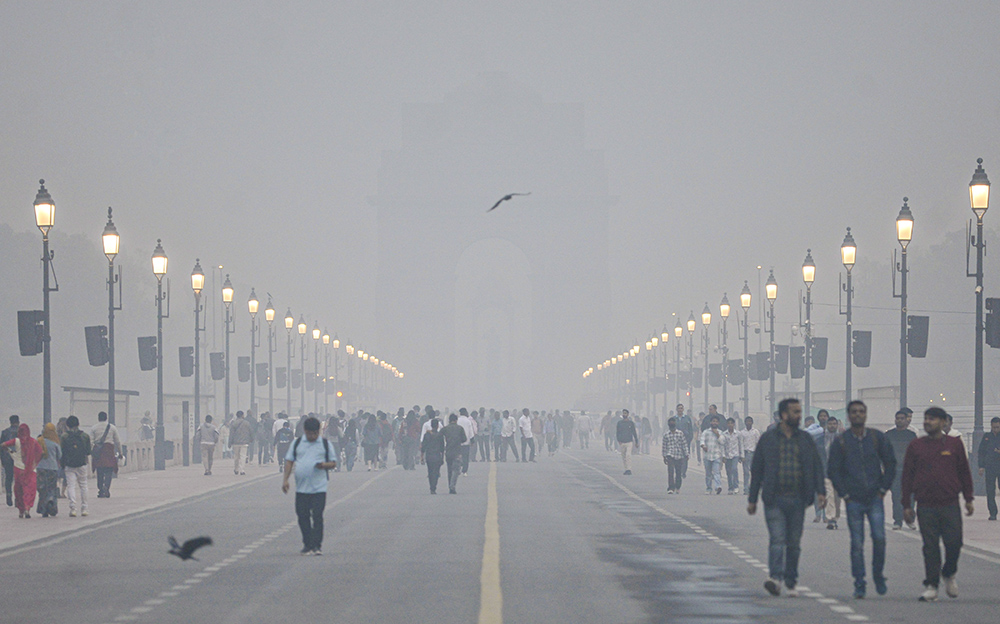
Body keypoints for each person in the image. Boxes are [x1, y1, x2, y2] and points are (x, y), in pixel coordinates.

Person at [747, 398, 826, 598]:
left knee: (793, 542)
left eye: (799, 412)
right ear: (783, 415)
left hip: (799, 499)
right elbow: (757, 468)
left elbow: (816, 466)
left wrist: (821, 492)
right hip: (774, 498)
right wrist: (753, 498)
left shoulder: (805, 439)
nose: (799, 416)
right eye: (795, 412)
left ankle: (791, 581)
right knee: (777, 538)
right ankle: (775, 578)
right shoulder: (769, 438)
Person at [901, 407, 975, 602]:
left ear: (943, 423)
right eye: (926, 419)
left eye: (932, 419)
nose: (927, 422)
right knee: (930, 546)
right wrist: (906, 505)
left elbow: (964, 472)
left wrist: (969, 498)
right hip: (925, 505)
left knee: (954, 542)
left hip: (950, 503)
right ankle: (932, 585)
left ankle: (948, 572)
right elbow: (907, 476)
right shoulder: (916, 446)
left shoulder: (955, 444)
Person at [827, 400, 896, 599]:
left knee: (879, 538)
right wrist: (844, 493)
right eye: (854, 412)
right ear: (849, 417)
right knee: (857, 543)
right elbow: (833, 470)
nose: (858, 415)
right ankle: (859, 582)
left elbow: (890, 463)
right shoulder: (842, 441)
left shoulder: (876, 438)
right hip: (853, 499)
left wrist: (883, 488)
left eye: (861, 412)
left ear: (865, 415)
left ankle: (878, 574)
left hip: (875, 496)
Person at [282, 416, 336, 555]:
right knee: (302, 516)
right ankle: (307, 543)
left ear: (318, 431)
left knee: (317, 516)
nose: (312, 436)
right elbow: (289, 461)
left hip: (319, 487)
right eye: (309, 433)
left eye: (314, 433)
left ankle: (317, 545)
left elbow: (333, 463)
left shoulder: (324, 444)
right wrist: (285, 480)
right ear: (305, 431)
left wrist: (324, 465)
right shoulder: (297, 443)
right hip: (302, 488)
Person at [885, 410, 918, 529]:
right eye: (897, 418)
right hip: (894, 471)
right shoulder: (889, 435)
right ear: (895, 420)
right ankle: (897, 521)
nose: (899, 420)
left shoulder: (911, 436)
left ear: (906, 420)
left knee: (911, 497)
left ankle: (910, 520)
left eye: (901, 418)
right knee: (896, 496)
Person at [2, 423, 42, 518]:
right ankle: (27, 508)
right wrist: (34, 462)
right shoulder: (33, 442)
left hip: (18, 469)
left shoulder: (16, 441)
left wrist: (11, 452)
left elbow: (3, 445)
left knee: (19, 490)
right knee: (29, 490)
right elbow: (40, 452)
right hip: (30, 470)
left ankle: (21, 511)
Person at [60, 416, 91, 517]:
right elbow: (88, 451)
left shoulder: (64, 436)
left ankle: (73, 508)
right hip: (82, 464)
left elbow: (62, 451)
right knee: (83, 486)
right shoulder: (85, 436)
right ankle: (84, 508)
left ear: (67, 425)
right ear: (78, 424)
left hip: (69, 465)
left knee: (71, 486)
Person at [817, 416, 842, 529]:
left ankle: (835, 517)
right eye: (830, 424)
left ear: (837, 425)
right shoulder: (819, 440)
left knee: (837, 496)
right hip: (825, 471)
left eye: (834, 424)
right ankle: (830, 518)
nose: (832, 426)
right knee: (829, 494)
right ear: (827, 425)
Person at [90, 411, 121, 498]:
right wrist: (120, 453)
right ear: (106, 418)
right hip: (109, 451)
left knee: (99, 471)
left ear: (98, 418)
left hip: (98, 452)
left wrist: (92, 452)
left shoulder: (94, 428)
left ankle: (100, 489)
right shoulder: (112, 428)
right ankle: (106, 487)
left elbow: (91, 442)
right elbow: (117, 441)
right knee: (108, 471)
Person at [977, 416, 1000, 521]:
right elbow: (981, 452)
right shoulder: (987, 437)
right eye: (994, 427)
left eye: (998, 427)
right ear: (991, 426)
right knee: (990, 491)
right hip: (990, 467)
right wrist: (981, 466)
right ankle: (993, 513)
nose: (996, 429)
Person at [35, 423, 61, 517]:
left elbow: (35, 453)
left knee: (42, 488)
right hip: (52, 468)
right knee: (51, 488)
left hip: (41, 468)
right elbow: (60, 456)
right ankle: (51, 504)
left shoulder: (39, 441)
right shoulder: (55, 443)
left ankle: (43, 508)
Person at [442, 414, 468, 494]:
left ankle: (450, 486)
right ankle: (452, 486)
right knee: (456, 470)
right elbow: (464, 439)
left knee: (449, 469)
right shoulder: (460, 428)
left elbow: (439, 437)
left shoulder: (445, 429)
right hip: (457, 451)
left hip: (448, 451)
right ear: (456, 420)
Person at [662, 417, 689, 494]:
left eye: (673, 422)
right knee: (670, 472)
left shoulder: (680, 433)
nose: (672, 424)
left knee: (678, 472)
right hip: (670, 455)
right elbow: (664, 446)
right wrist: (664, 456)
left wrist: (686, 454)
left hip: (679, 455)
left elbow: (684, 444)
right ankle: (671, 487)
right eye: (670, 422)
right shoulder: (666, 435)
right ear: (668, 424)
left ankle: (678, 486)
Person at [420, 418, 445, 494]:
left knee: (430, 472)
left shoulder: (427, 435)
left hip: (429, 456)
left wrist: (422, 457)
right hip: (437, 456)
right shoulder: (440, 435)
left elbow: (423, 447)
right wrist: (442, 458)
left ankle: (432, 487)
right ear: (437, 426)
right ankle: (434, 486)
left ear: (431, 425)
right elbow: (442, 448)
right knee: (436, 472)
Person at [700, 416, 723, 494]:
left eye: (716, 421)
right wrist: (703, 446)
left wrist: (717, 435)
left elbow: (722, 442)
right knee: (708, 473)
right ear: (710, 422)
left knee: (716, 472)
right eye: (713, 421)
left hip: (716, 455)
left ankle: (718, 487)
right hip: (707, 456)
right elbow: (702, 440)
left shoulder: (720, 432)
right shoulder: (706, 432)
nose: (714, 423)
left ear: (718, 423)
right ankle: (709, 488)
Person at [738, 416, 760, 496]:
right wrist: (742, 456)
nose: (748, 423)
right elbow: (741, 444)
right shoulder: (742, 433)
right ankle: (745, 489)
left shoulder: (755, 432)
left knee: (754, 472)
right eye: (747, 421)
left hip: (754, 453)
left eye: (750, 421)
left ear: (752, 422)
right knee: (746, 472)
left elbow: (758, 443)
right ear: (745, 422)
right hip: (746, 453)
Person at [720, 417, 743, 495]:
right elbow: (722, 445)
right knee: (728, 472)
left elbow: (741, 445)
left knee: (734, 469)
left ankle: (736, 486)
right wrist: (723, 455)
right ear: (727, 424)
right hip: (727, 455)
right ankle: (730, 487)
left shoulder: (738, 434)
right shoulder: (724, 434)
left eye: (731, 423)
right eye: (729, 423)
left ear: (734, 424)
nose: (730, 425)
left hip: (735, 454)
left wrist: (742, 455)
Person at [1, 415, 19, 507]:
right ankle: (18, 497)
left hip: (7, 458)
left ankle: (9, 494)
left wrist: (2, 460)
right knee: (18, 478)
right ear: (18, 421)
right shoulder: (21, 432)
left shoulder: (4, 432)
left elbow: (1, 447)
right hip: (18, 459)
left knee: (9, 478)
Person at [228, 411, 253, 475]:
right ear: (242, 415)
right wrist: (251, 439)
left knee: (236, 456)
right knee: (243, 456)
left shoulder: (233, 423)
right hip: (244, 442)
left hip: (235, 442)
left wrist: (229, 442)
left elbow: (231, 434)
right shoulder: (247, 423)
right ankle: (242, 470)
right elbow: (251, 432)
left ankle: (236, 469)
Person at [616, 409, 639, 475]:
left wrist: (636, 442)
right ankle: (626, 468)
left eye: (625, 413)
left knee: (628, 455)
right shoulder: (619, 423)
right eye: (623, 413)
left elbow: (634, 432)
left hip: (629, 441)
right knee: (623, 456)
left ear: (628, 414)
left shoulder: (631, 423)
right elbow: (618, 432)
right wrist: (619, 440)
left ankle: (629, 469)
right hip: (622, 442)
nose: (624, 415)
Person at [675, 405, 694, 478]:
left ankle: (683, 471)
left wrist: (689, 438)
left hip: (686, 440)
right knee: (677, 456)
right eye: (679, 408)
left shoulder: (687, 418)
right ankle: (678, 470)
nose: (680, 409)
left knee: (685, 456)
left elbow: (690, 429)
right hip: (676, 441)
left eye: (681, 408)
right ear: (676, 409)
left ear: (683, 409)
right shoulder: (674, 418)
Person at [457, 408, 476, 473]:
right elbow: (471, 432)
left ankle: (458, 467)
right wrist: (472, 440)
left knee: (458, 456)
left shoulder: (457, 420)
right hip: (466, 442)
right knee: (466, 457)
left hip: (458, 442)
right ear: (465, 413)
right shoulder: (468, 421)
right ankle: (464, 470)